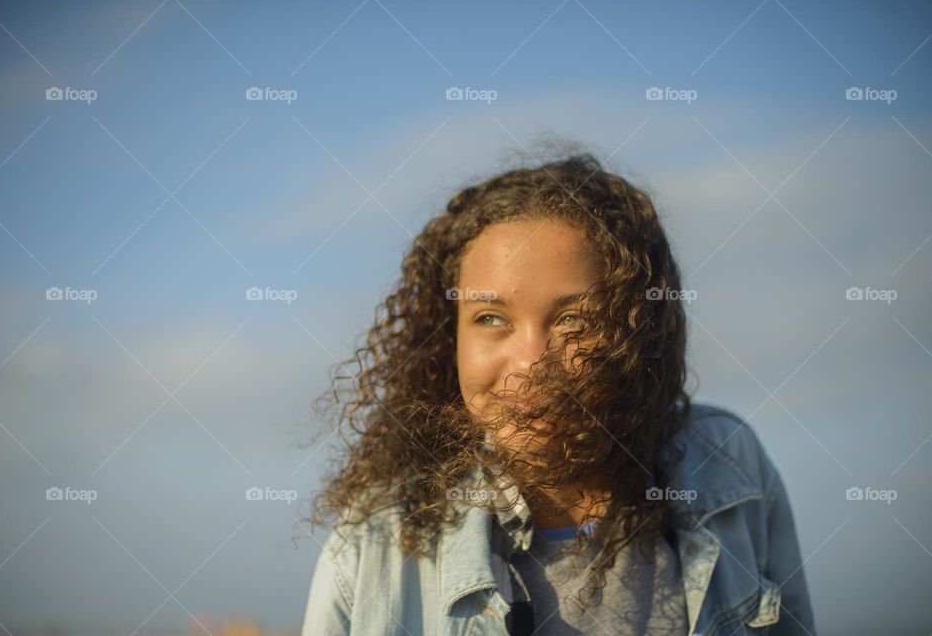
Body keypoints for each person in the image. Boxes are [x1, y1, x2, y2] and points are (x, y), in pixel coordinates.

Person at [300, 153, 816, 635]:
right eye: (491, 318)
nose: (532, 364)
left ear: (638, 332)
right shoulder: (372, 542)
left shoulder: (727, 467)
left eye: (574, 320)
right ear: (448, 340)